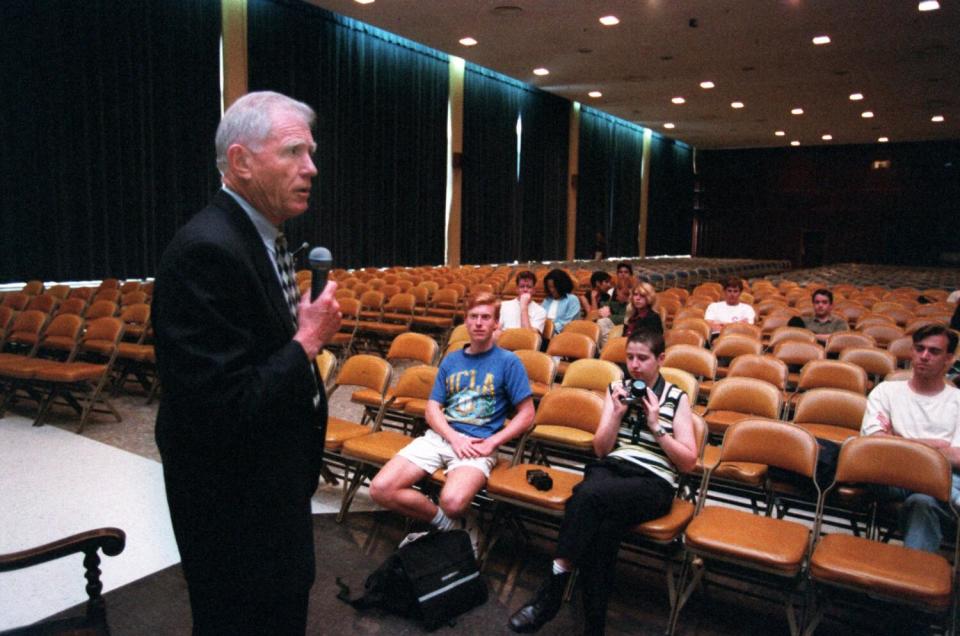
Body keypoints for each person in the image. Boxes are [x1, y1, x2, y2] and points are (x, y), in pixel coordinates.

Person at [153, 92, 342, 634]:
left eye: (310, 152)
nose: (310, 168)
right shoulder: (206, 250)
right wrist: (306, 342)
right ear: (241, 162)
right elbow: (219, 406)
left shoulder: (260, 236)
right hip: (233, 503)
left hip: (269, 485)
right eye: (292, 152)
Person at [508, 329, 697, 634]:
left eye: (643, 359)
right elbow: (600, 449)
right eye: (630, 358)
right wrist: (615, 415)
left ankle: (553, 589)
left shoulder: (677, 398)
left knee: (585, 497)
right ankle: (594, 628)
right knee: (603, 532)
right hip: (611, 471)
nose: (634, 365)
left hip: (652, 482)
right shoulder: (616, 390)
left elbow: (688, 461)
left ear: (660, 359)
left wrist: (656, 426)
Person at [369, 293, 535, 555]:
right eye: (473, 317)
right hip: (441, 437)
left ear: (495, 323)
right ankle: (448, 525)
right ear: (465, 321)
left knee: (453, 502)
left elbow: (527, 414)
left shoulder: (509, 362)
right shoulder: (451, 360)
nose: (479, 323)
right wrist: (452, 436)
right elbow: (433, 407)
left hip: (480, 444)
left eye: (485, 317)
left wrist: (493, 442)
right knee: (380, 489)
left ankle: (453, 518)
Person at [860, 324, 960, 552]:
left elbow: (959, 457)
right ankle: (954, 498)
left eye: (934, 352)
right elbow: (876, 445)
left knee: (922, 502)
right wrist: (937, 446)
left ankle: (909, 582)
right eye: (919, 349)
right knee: (856, 454)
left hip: (938, 481)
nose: (924, 356)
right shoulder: (886, 391)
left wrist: (898, 440)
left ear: (949, 359)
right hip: (892, 477)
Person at [498, 270, 546, 334]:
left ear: (534, 290)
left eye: (529, 287)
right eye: (522, 286)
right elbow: (497, 330)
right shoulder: (504, 305)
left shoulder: (540, 311)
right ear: (517, 289)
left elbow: (529, 337)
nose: (525, 289)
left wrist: (524, 306)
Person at [541, 269, 582, 334]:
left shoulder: (572, 299)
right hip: (545, 332)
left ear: (562, 286)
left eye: (554, 287)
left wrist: (548, 328)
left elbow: (568, 323)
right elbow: (540, 316)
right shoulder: (547, 299)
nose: (552, 290)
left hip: (564, 335)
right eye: (549, 287)